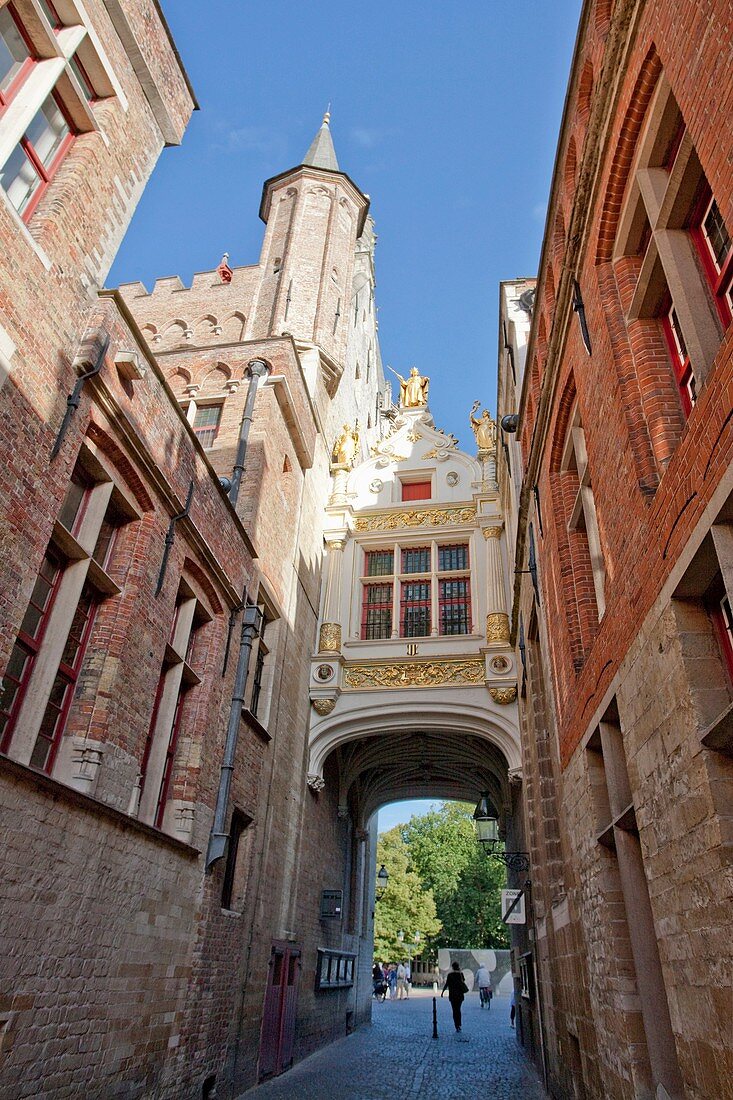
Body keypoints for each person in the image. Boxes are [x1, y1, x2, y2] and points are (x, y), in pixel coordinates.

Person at [441, 961, 469, 1032]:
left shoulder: (450, 975)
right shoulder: (460, 974)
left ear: (452, 967)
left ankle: (456, 1025)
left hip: (452, 995)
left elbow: (447, 984)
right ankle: (459, 1024)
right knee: (458, 1010)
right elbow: (463, 981)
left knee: (454, 1010)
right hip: (460, 995)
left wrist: (442, 992)